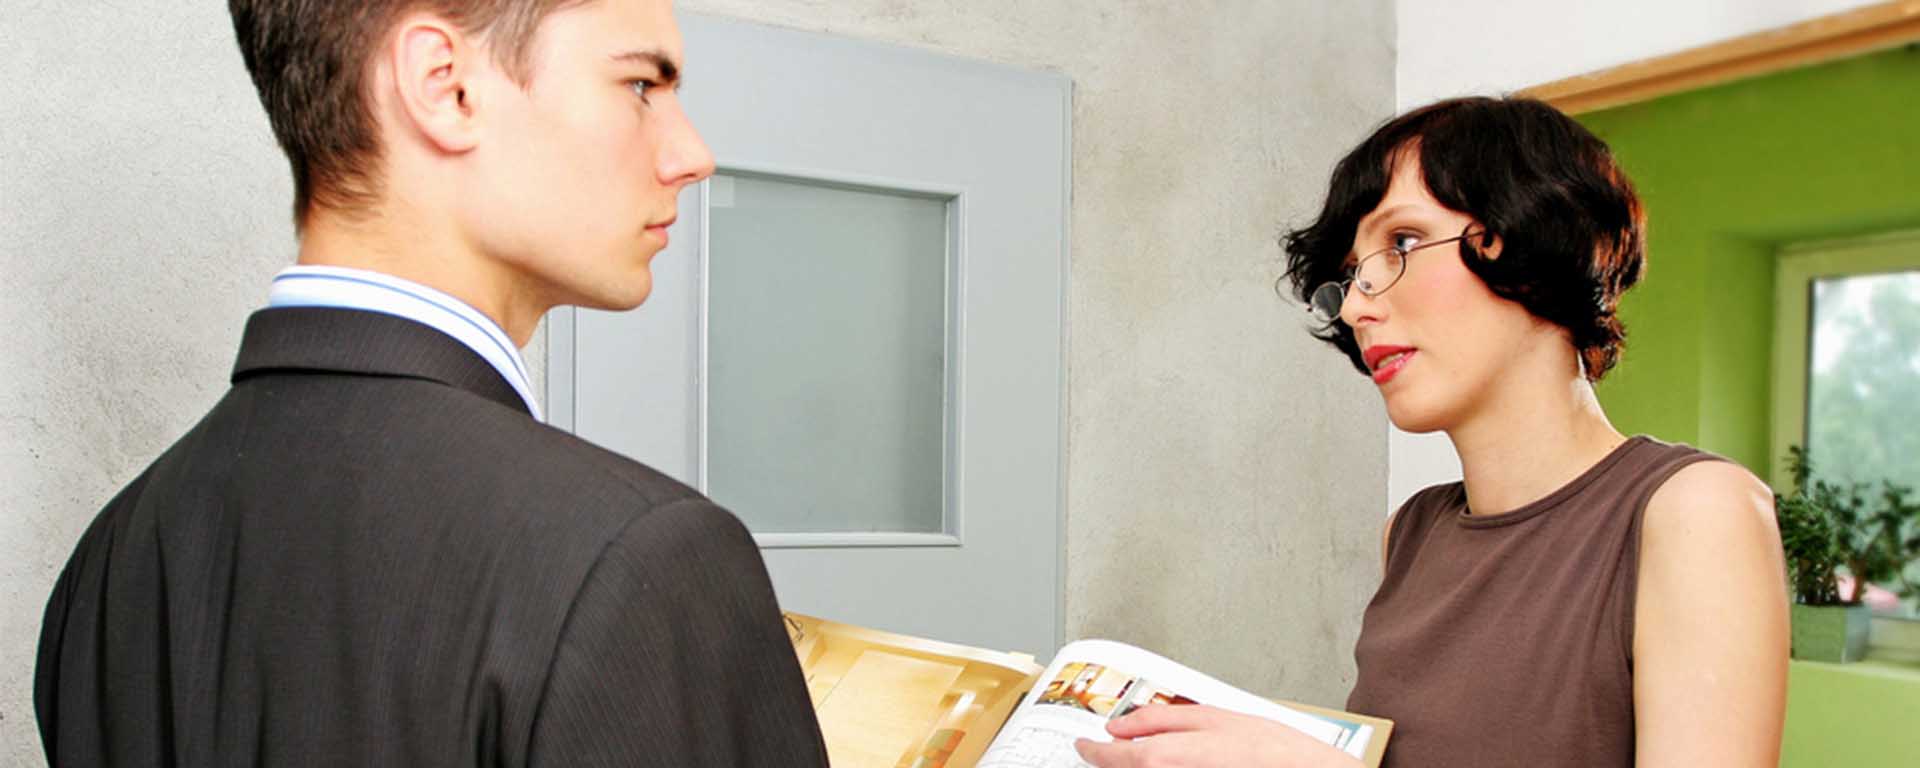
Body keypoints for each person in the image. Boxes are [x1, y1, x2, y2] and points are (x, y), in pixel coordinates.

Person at [34, 1, 829, 765]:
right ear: (443, 85)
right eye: (641, 86)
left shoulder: (108, 562)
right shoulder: (641, 560)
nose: (692, 153)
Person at [1077, 96, 1788, 767]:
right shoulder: (1412, 533)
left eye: (1403, 242)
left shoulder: (1694, 511)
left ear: (1538, 243)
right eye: (1351, 275)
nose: (1356, 307)